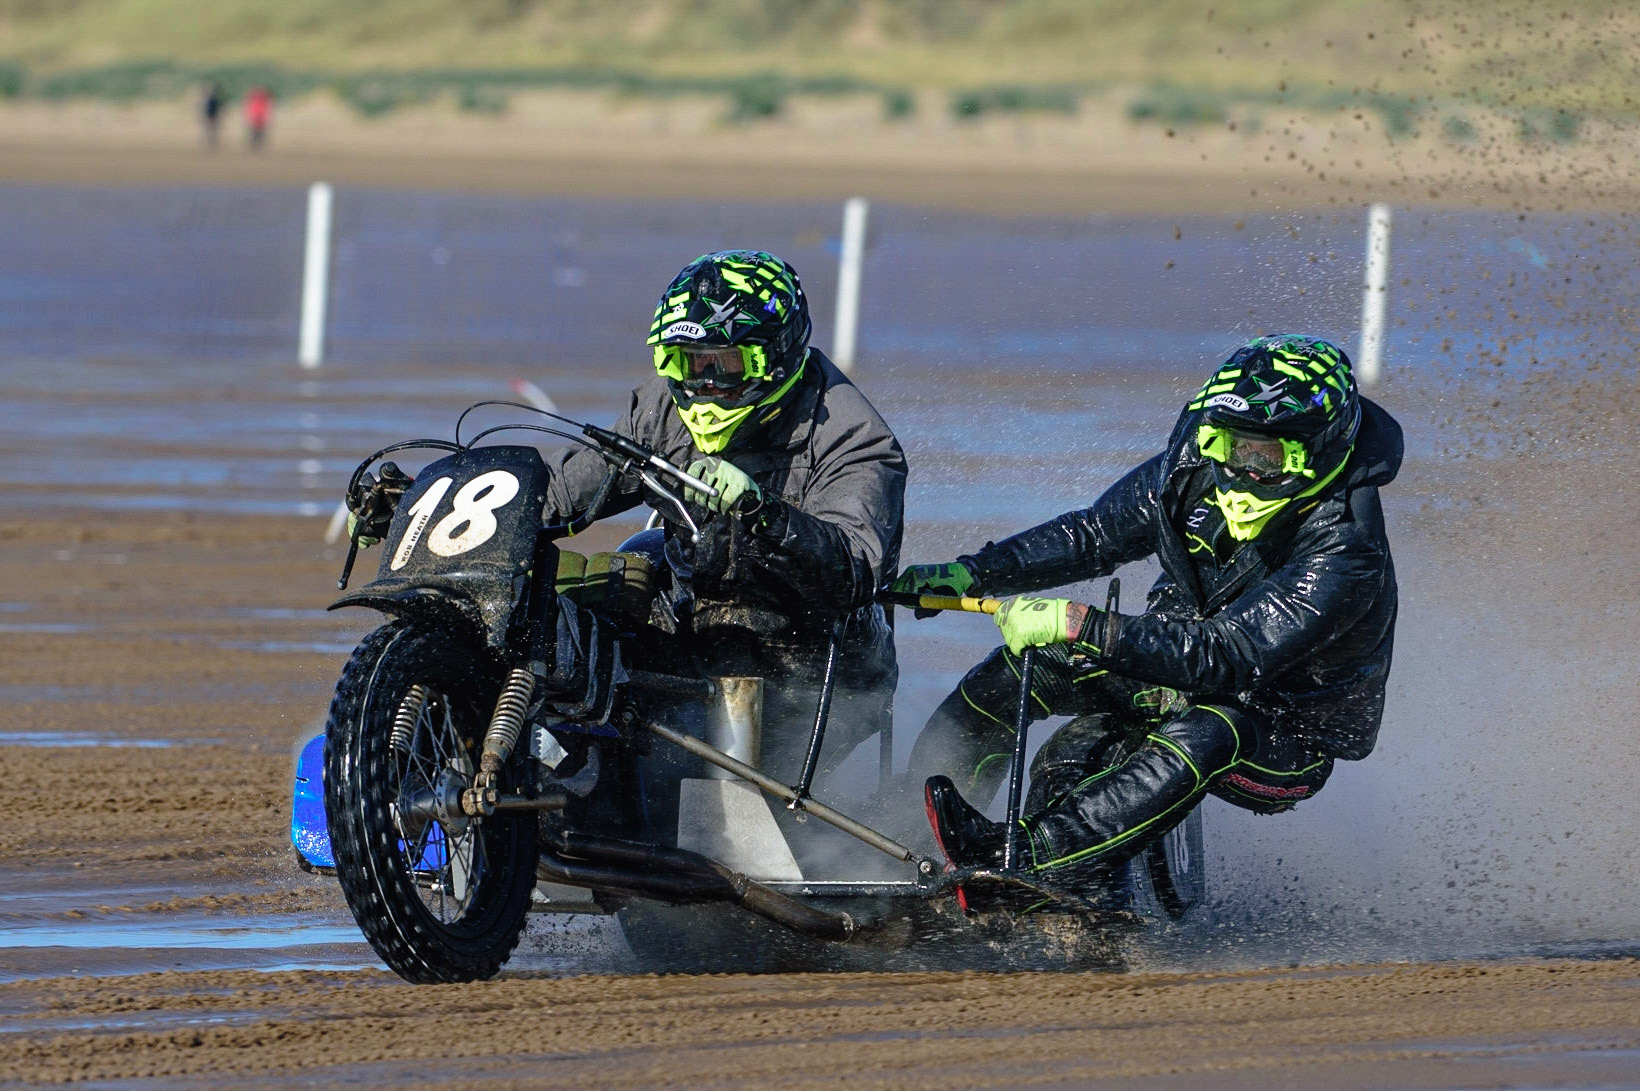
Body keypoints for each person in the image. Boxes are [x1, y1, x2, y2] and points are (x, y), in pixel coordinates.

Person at [891, 334, 1400, 892]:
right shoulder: (1190, 464)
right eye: (1233, 448)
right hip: (1179, 670)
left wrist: (1081, 624)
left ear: (1321, 452)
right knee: (1016, 668)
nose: (1244, 472)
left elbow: (1229, 656)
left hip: (1283, 728)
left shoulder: (1347, 548)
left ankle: (1027, 859)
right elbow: (1095, 533)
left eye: (1270, 457)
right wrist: (975, 572)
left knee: (1210, 730)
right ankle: (903, 838)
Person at [541, 250, 906, 791]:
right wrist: (429, 501)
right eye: (690, 363)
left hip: (817, 654)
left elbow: (853, 571)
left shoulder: (854, 437)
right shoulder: (662, 407)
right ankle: (546, 770)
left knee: (730, 597)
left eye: (725, 365)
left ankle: (719, 816)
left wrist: (762, 513)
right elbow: (566, 493)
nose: (705, 384)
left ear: (775, 358)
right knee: (609, 575)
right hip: (693, 617)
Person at [244, 85, 272, 150]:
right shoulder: (262, 101)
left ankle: (256, 146)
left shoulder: (261, 101)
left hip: (259, 120)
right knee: (256, 134)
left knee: (257, 134)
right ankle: (255, 146)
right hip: (257, 119)